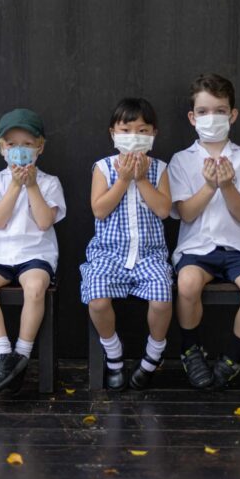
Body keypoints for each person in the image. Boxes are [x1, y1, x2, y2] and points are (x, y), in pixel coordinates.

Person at [168, 73, 240, 390]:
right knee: (186, 283)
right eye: (203, 111)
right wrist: (209, 186)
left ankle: (232, 356)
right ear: (192, 117)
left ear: (233, 114)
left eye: (220, 110)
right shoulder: (181, 161)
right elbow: (184, 213)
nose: (211, 118)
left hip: (239, 248)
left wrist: (226, 185)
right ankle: (190, 350)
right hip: (196, 248)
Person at [80, 98, 173, 391]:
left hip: (150, 255)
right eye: (126, 129)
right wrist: (123, 180)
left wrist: (142, 179)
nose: (134, 136)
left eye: (143, 130)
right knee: (97, 299)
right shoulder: (103, 168)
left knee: (162, 297)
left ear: (154, 134)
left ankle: (153, 355)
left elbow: (163, 210)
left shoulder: (160, 168)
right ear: (113, 133)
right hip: (109, 254)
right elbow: (99, 209)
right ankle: (113, 353)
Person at [0, 108, 66, 396]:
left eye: (27, 144)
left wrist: (32, 185)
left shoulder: (49, 182)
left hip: (34, 251)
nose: (20, 150)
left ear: (39, 147)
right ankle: (2, 354)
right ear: (2, 149)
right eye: (12, 145)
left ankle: (22, 354)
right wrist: (15, 186)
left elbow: (44, 221)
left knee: (36, 285)